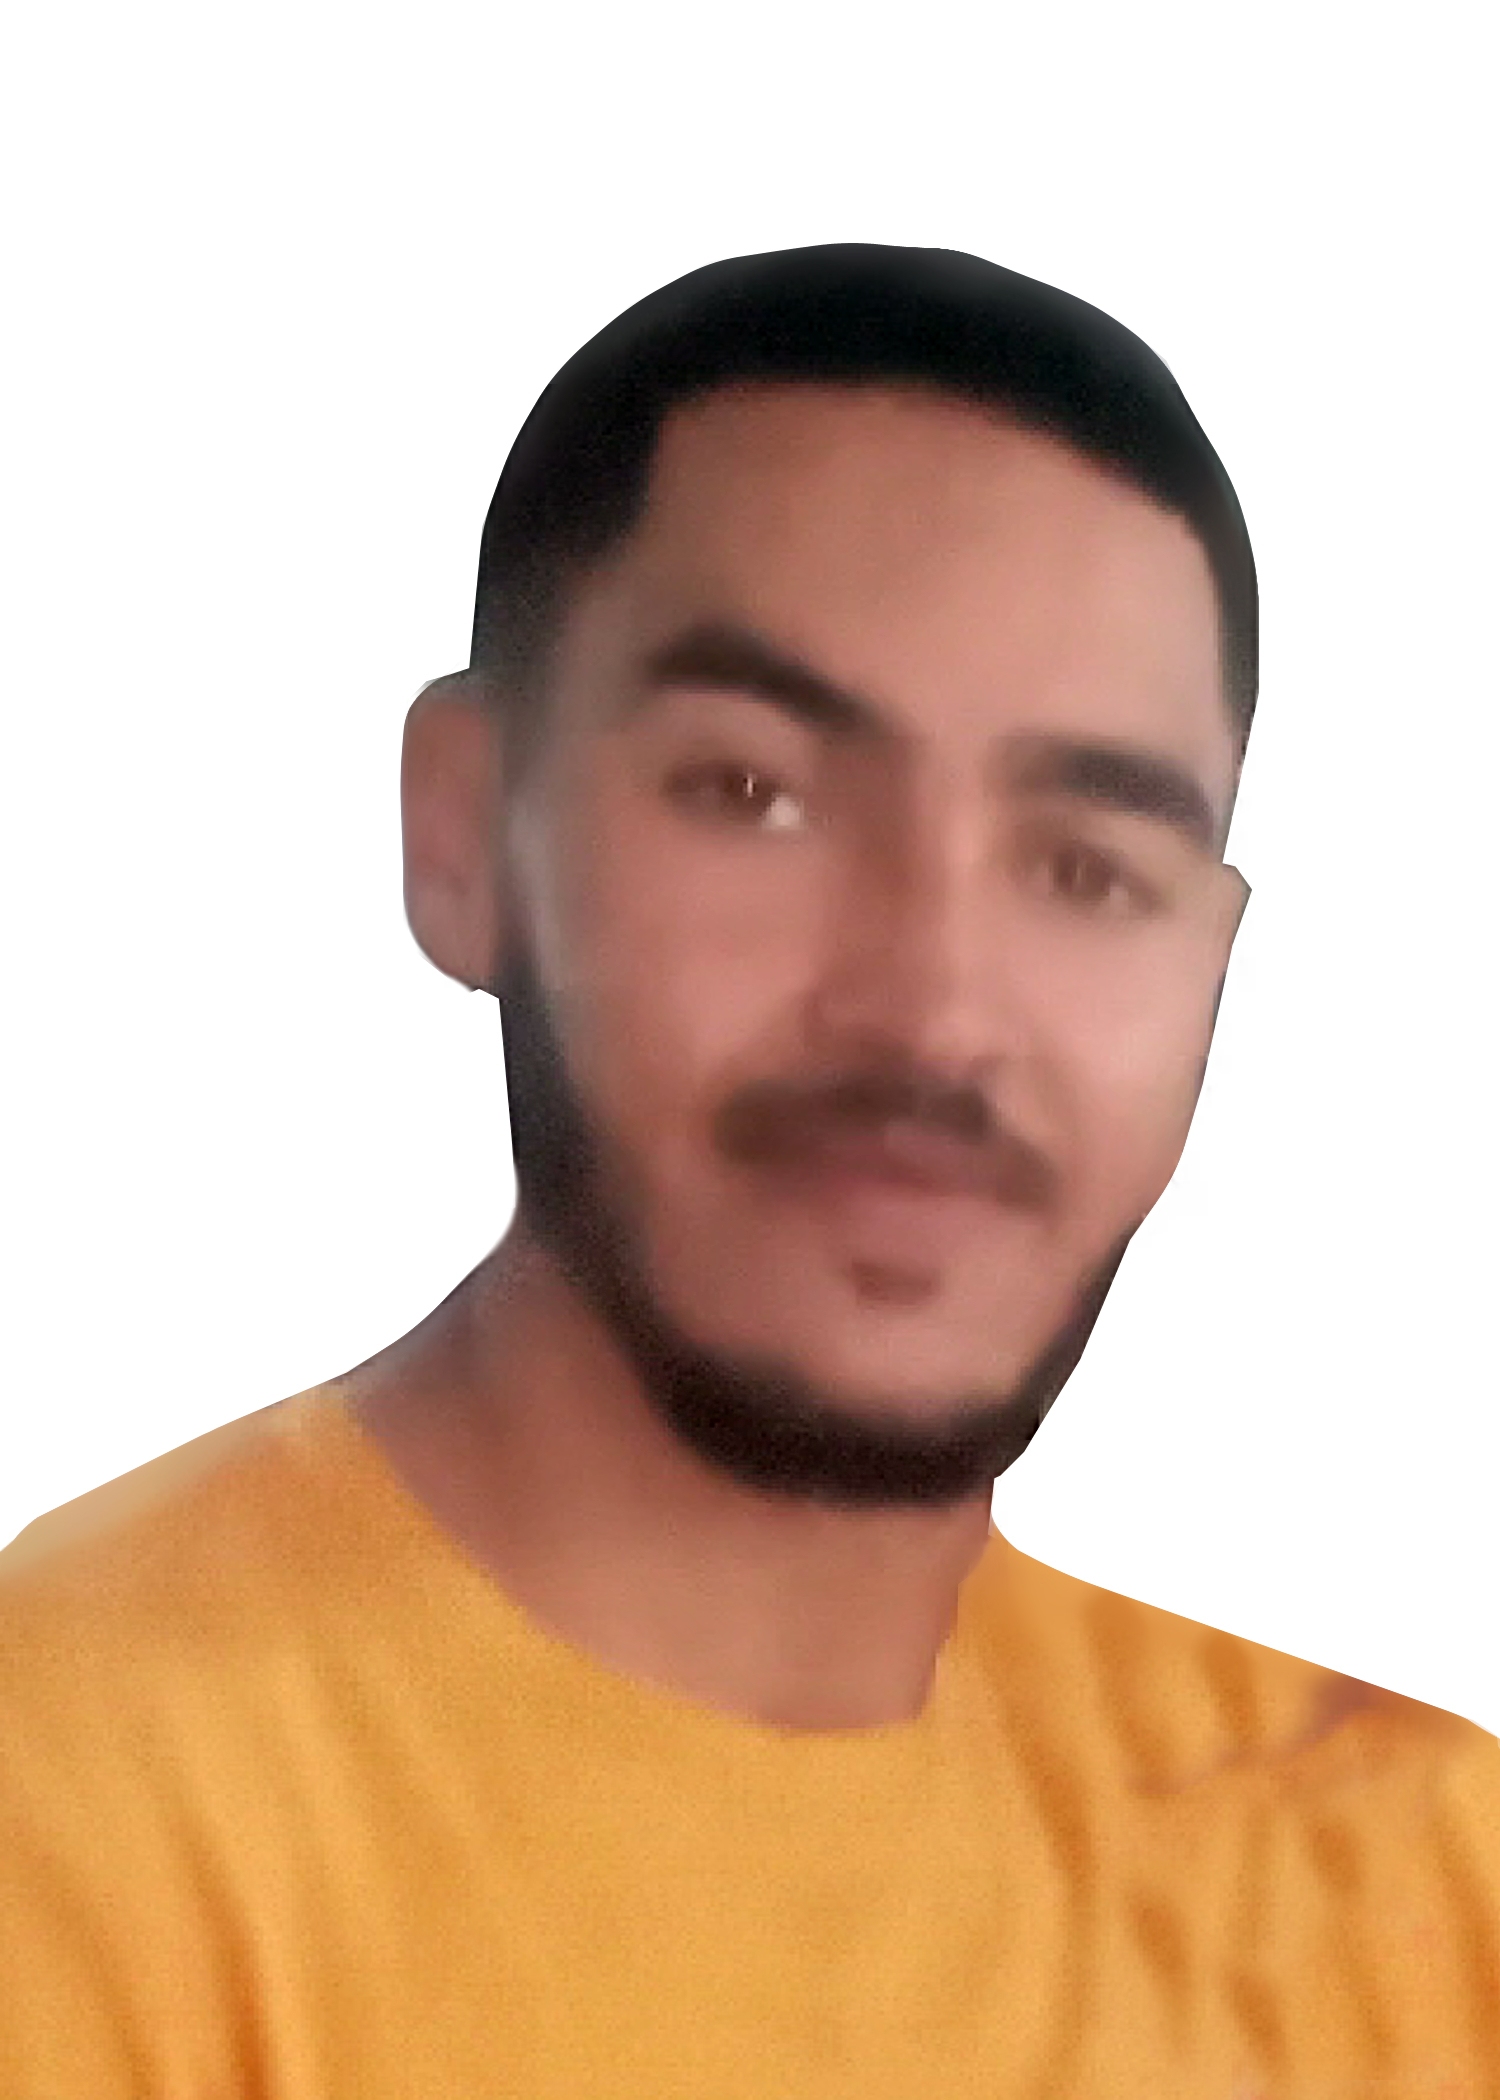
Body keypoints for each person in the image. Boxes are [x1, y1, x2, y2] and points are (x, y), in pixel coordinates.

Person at [3, 243, 1495, 2098]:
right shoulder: (70, 1827)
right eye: (754, 794)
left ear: (1211, 967)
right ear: (463, 835)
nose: (934, 1012)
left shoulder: (1423, 1890)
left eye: (1086, 868)